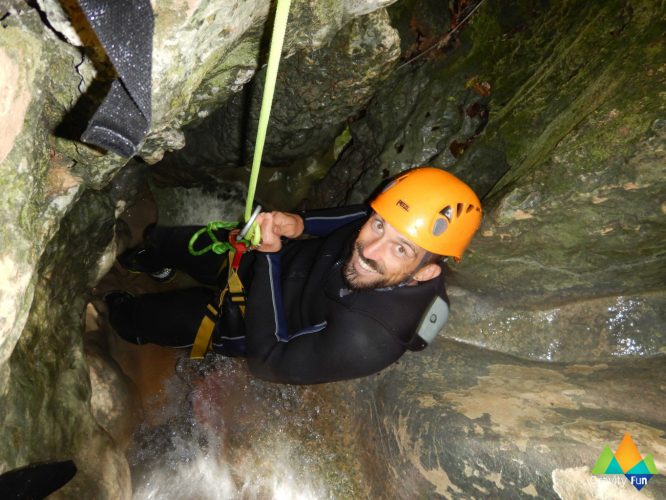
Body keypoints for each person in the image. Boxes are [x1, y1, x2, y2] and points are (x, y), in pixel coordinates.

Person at [104, 167, 482, 384]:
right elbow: (355, 215)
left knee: (155, 315)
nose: (370, 249)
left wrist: (269, 258)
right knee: (173, 237)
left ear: (427, 270)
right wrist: (299, 224)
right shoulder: (379, 227)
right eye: (379, 224)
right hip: (272, 259)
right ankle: (156, 261)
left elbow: (267, 360)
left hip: (256, 320)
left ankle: (127, 322)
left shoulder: (368, 338)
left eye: (402, 249)